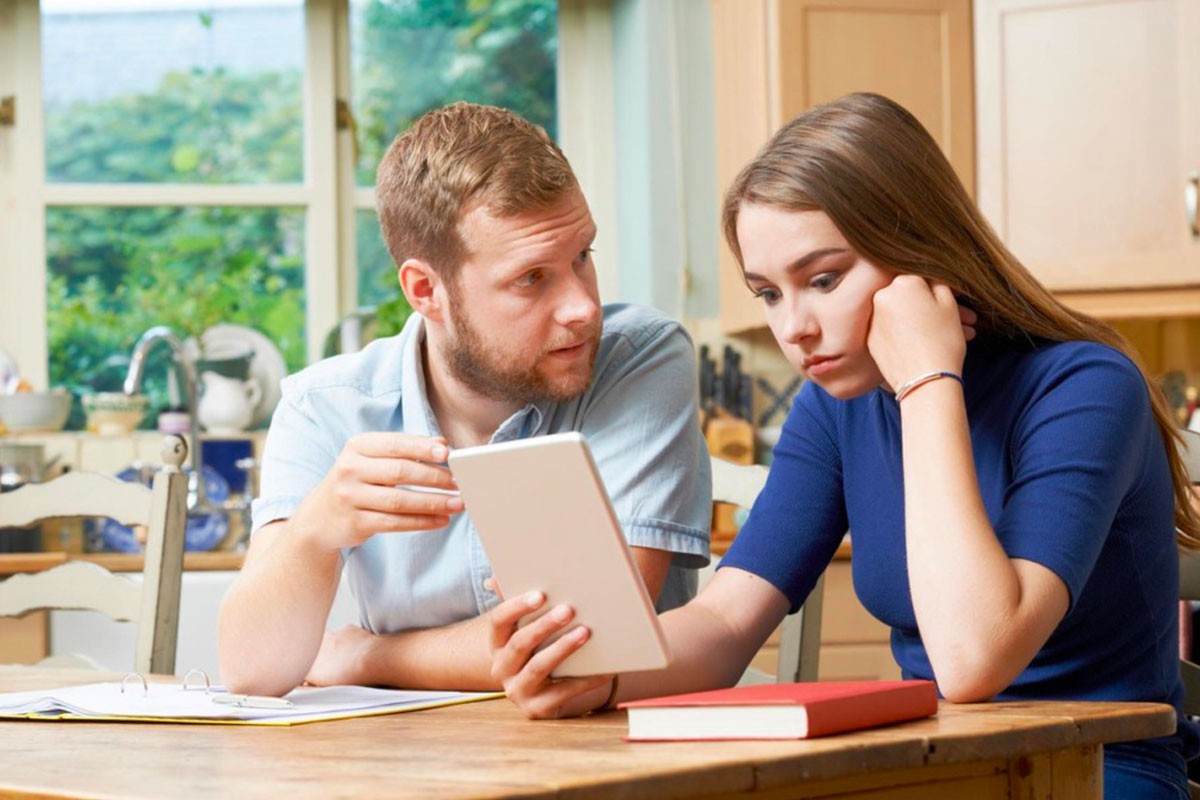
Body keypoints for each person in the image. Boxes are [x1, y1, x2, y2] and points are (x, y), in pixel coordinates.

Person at [488, 93, 1200, 798]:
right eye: (768, 293)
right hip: (946, 766)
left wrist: (926, 378)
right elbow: (727, 619)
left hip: (1099, 769)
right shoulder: (838, 406)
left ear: (918, 253)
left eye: (823, 280)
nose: (793, 327)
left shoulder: (1083, 388)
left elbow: (973, 660)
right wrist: (606, 672)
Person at [218, 102, 711, 697]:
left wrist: (370, 658)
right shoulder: (323, 408)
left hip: (609, 757)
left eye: (582, 256)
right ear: (426, 290)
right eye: (532, 278)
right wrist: (314, 529)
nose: (583, 306)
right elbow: (250, 673)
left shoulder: (640, 360)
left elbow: (587, 643)